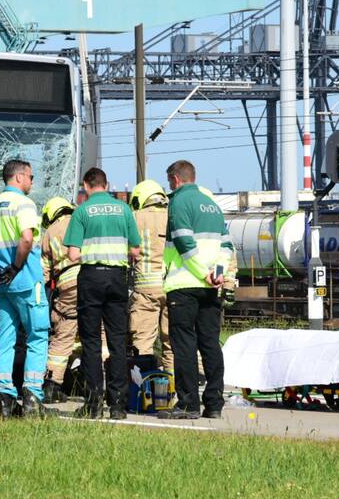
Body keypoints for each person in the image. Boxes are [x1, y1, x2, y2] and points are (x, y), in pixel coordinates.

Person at [0, 159, 53, 418]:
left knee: (5, 339)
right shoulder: (24, 204)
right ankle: (32, 397)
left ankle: (5, 400)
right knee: (37, 337)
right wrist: (16, 268)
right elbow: (26, 238)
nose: (32, 181)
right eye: (30, 176)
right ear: (18, 178)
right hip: (26, 282)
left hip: (1, 286)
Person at [157, 160, 233, 420]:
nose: (170, 186)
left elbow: (183, 241)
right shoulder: (212, 205)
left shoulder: (179, 201)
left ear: (176, 179)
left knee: (185, 345)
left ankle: (188, 404)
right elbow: (227, 246)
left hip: (185, 284)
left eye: (169, 182)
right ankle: (214, 403)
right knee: (210, 343)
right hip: (212, 287)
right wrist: (217, 273)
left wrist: (202, 273)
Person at [64, 167, 141, 419]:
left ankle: (93, 403)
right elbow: (136, 250)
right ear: (106, 185)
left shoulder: (83, 211)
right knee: (118, 341)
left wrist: (93, 253)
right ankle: (118, 405)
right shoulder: (124, 209)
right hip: (117, 278)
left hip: (91, 278)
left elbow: (73, 254)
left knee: (91, 342)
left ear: (87, 186)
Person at [128, 180, 174, 374]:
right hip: (173, 287)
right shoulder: (173, 215)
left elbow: (128, 251)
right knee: (172, 342)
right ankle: (174, 390)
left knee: (143, 341)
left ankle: (144, 391)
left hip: (145, 290)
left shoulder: (134, 217)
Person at [40, 196, 79, 402]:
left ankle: (52, 386)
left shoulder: (48, 233)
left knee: (63, 336)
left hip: (67, 288)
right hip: (94, 283)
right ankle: (100, 386)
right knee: (99, 336)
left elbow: (43, 274)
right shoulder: (82, 220)